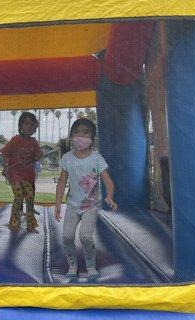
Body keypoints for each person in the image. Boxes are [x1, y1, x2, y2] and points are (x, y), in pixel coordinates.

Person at [54, 118, 118, 280]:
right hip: (73, 205)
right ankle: (72, 265)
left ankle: (90, 265)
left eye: (85, 132)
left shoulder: (97, 158)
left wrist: (109, 197)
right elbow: (62, 182)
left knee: (85, 236)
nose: (80, 136)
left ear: (92, 139)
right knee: (67, 236)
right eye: (76, 132)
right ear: (71, 137)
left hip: (91, 205)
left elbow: (108, 180)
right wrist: (57, 204)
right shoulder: (68, 158)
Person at [0, 112, 42, 232]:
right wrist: (5, 167)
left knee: (29, 197)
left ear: (35, 127)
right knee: (18, 197)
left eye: (32, 124)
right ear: (21, 125)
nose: (29, 127)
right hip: (14, 174)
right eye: (26, 123)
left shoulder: (34, 142)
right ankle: (14, 223)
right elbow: (5, 153)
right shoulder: (15, 140)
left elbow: (37, 156)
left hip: (28, 175)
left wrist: (39, 155)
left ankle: (31, 224)